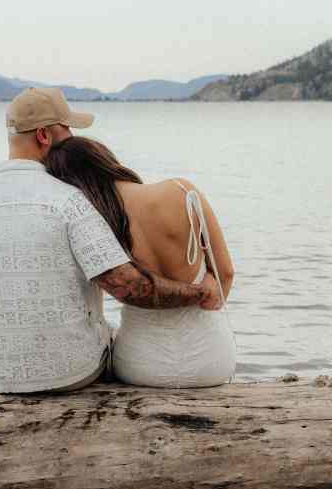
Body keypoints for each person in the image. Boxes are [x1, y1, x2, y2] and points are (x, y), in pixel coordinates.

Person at [0, 87, 221, 394]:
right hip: (68, 373)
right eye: (68, 129)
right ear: (43, 136)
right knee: (117, 341)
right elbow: (131, 288)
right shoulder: (69, 201)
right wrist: (198, 292)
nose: (74, 138)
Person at [45, 136, 237, 388]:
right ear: (105, 159)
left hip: (139, 366)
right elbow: (226, 273)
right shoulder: (180, 190)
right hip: (211, 364)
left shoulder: (93, 223)